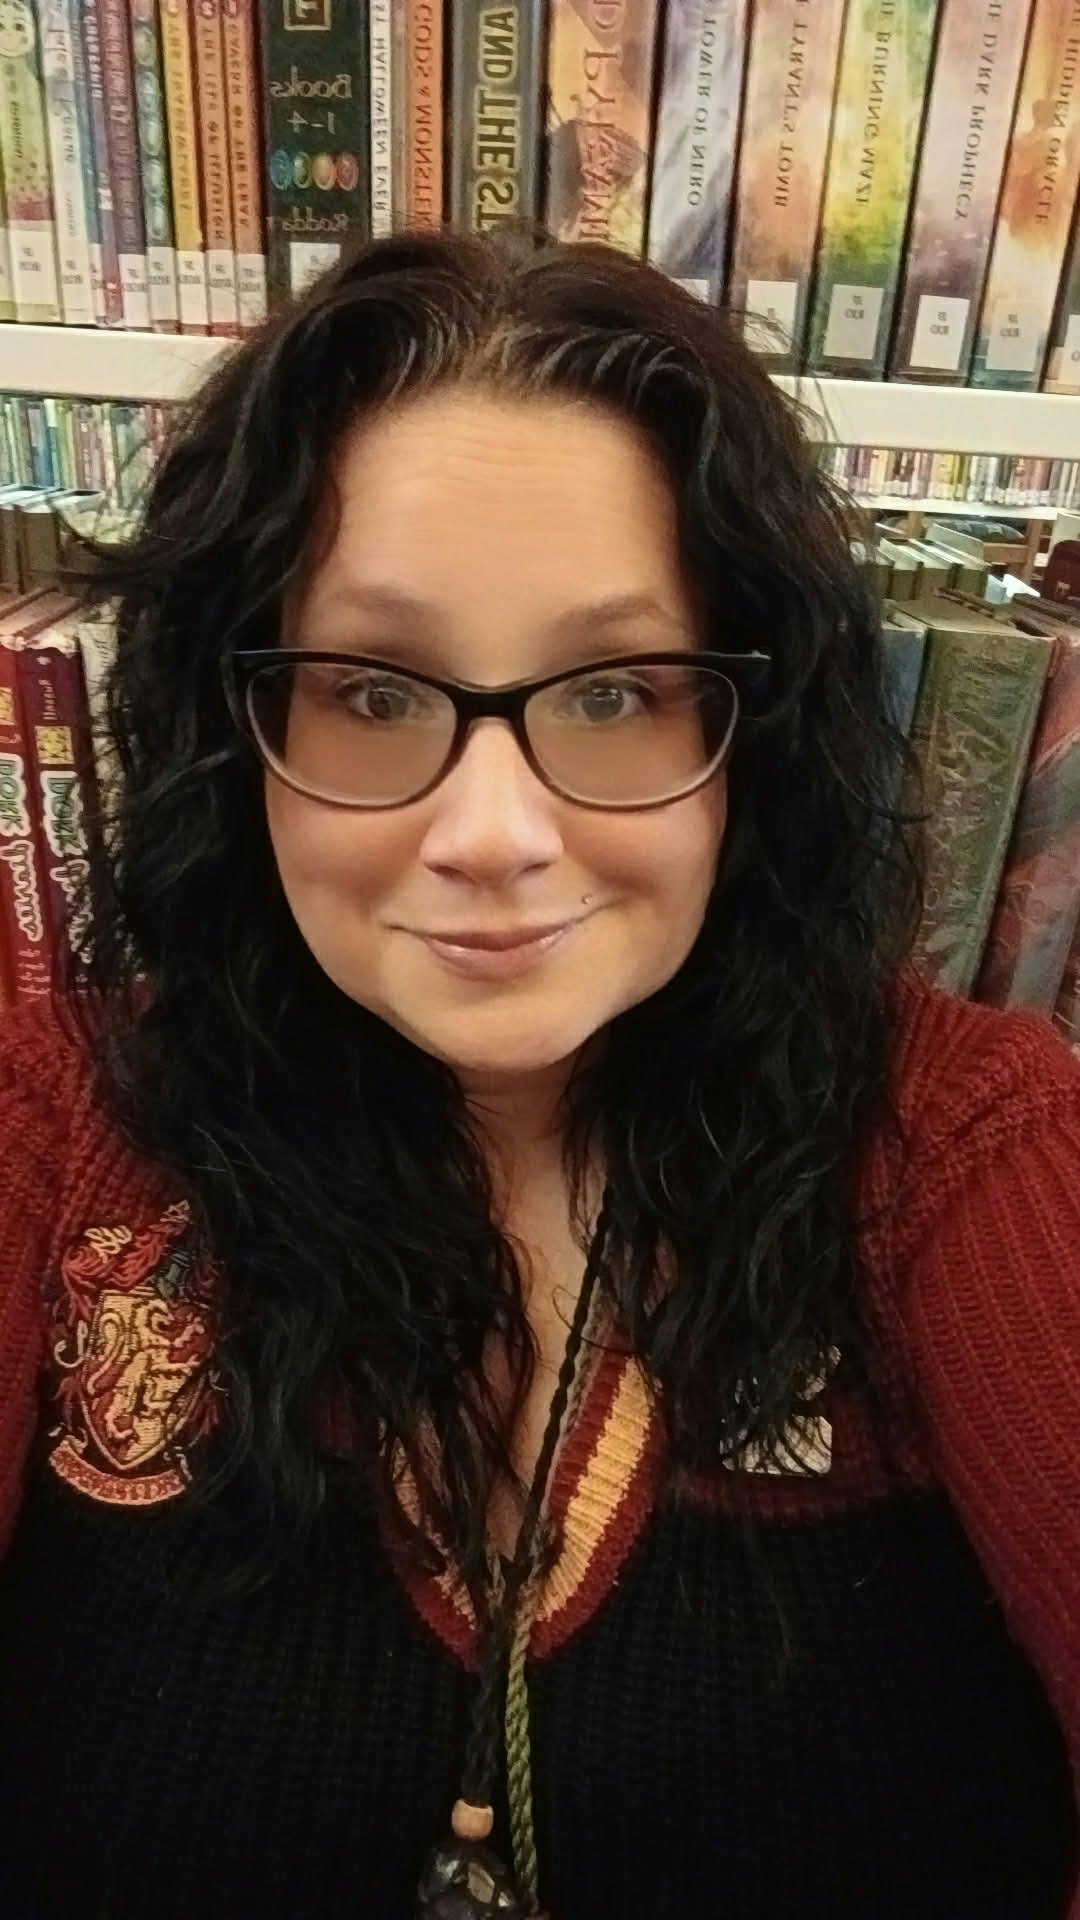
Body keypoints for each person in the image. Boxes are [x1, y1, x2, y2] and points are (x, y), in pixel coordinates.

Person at [0, 228, 1077, 1920]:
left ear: (755, 731)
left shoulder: (969, 1144)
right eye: (369, 690)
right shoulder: (59, 1121)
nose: (493, 835)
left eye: (614, 693)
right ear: (234, 729)